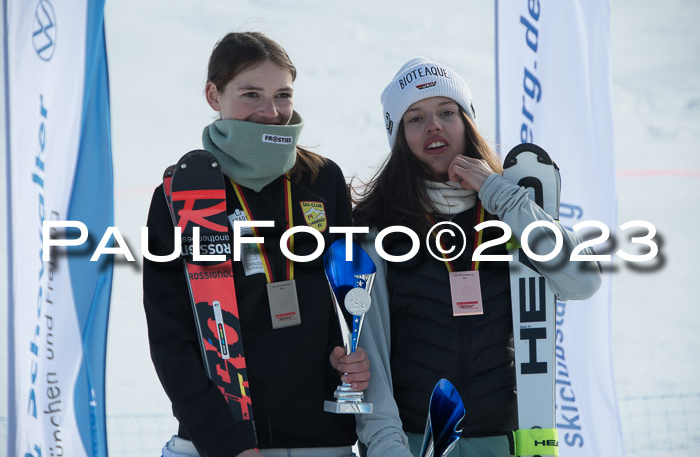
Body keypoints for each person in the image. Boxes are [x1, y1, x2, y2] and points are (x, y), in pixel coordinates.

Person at [352, 57, 602, 456]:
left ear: (468, 121)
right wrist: (388, 447)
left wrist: (500, 193)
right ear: (398, 137)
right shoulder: (377, 227)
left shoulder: (509, 210)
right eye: (414, 118)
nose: (433, 125)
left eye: (447, 112)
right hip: (415, 442)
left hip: (501, 440)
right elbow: (371, 354)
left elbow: (582, 281)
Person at [143, 32, 369, 457]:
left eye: (282, 95)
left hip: (320, 437)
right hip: (220, 440)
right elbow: (170, 337)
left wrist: (348, 360)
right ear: (214, 95)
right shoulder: (183, 194)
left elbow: (351, 297)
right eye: (252, 94)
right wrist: (224, 442)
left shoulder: (322, 181)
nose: (272, 112)